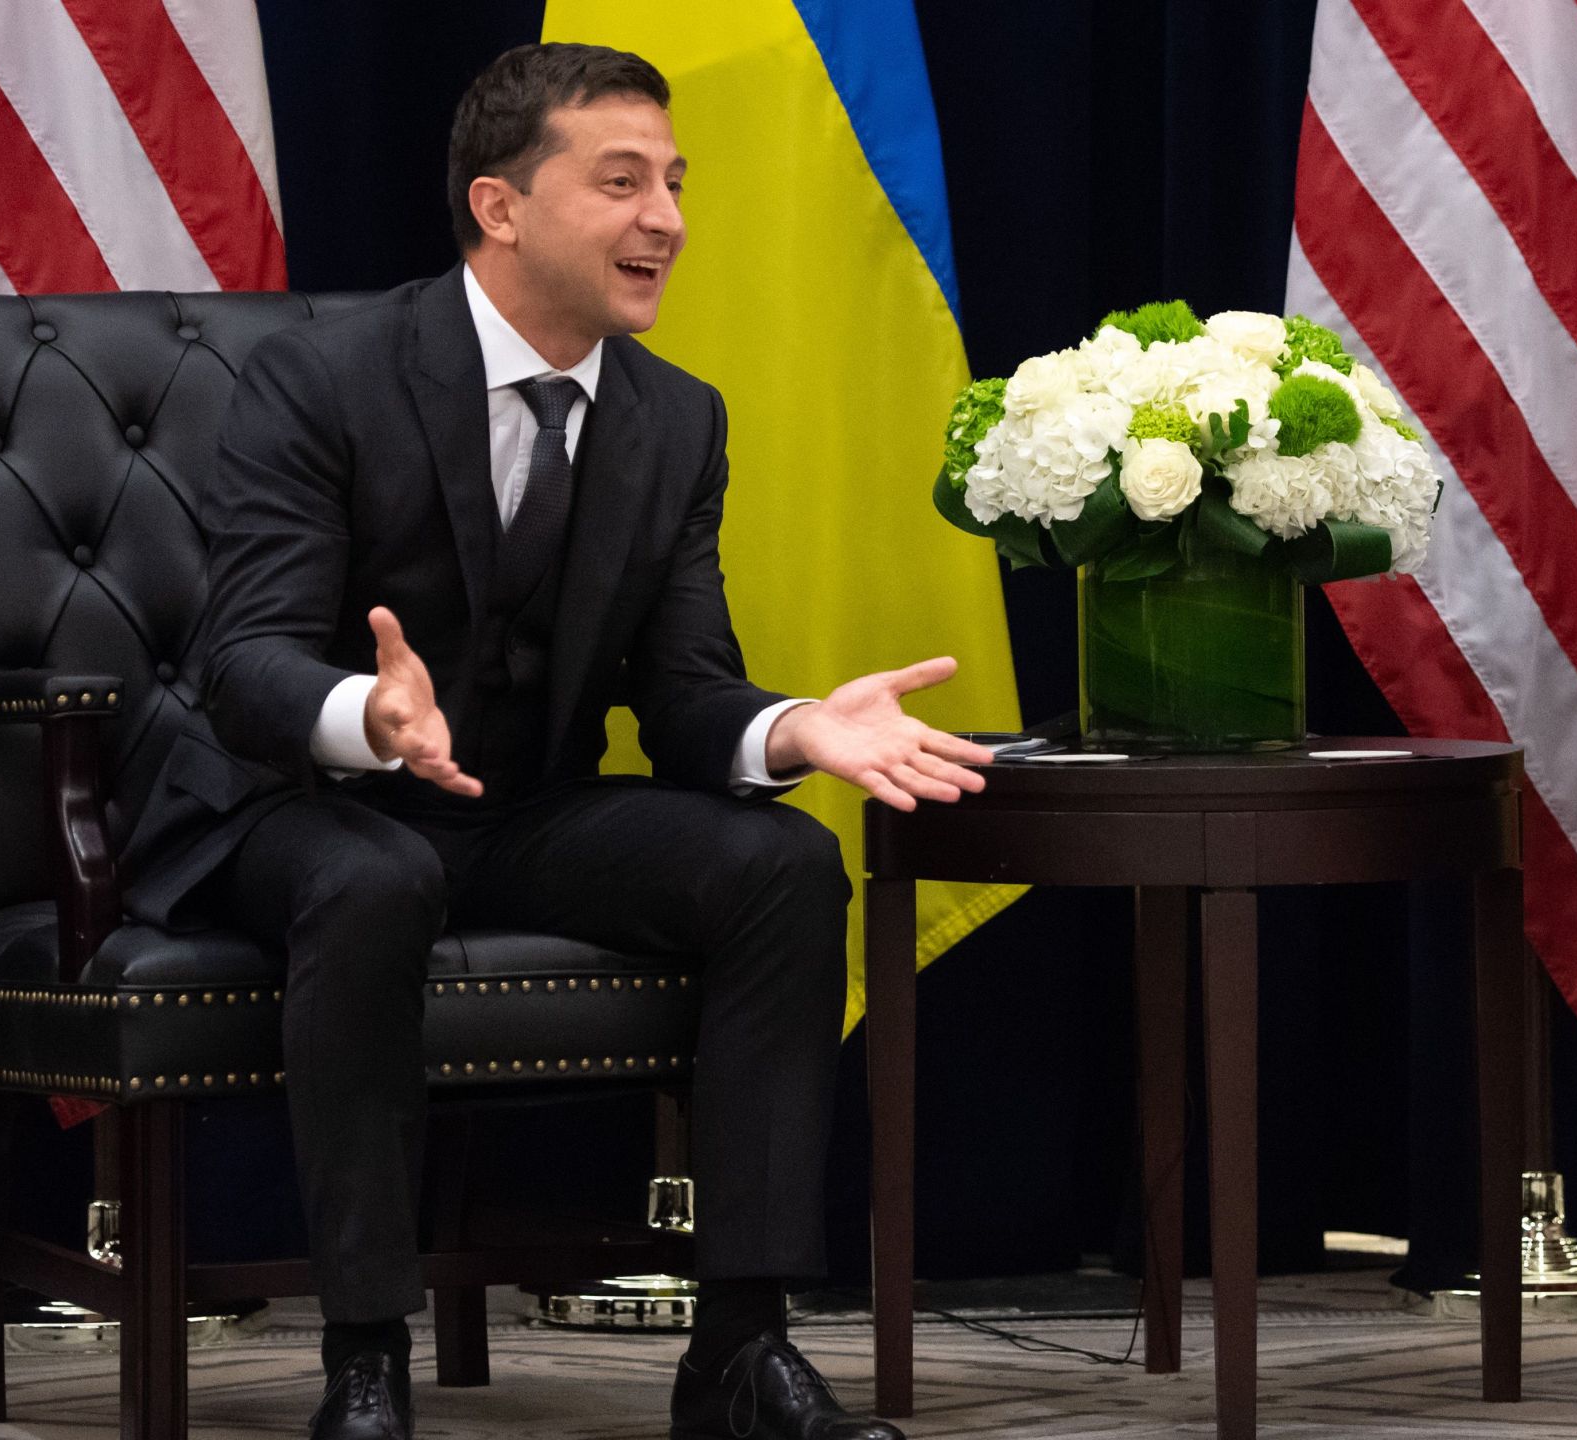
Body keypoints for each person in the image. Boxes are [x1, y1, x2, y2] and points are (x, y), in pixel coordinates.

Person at [119, 43, 985, 1440]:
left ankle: (741, 1353)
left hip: (519, 811)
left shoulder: (675, 419)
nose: (668, 220)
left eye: (677, 185)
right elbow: (244, 662)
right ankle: (364, 1361)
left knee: (779, 867)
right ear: (501, 207)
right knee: (373, 878)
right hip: (292, 802)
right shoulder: (323, 379)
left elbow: (687, 692)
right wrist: (371, 717)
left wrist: (795, 727)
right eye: (623, 181)